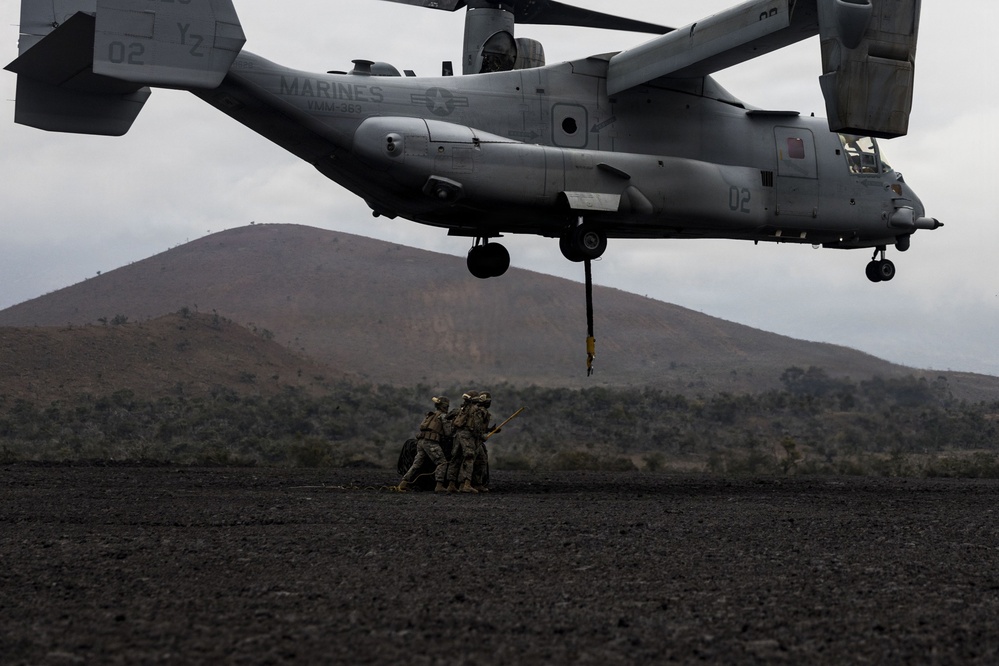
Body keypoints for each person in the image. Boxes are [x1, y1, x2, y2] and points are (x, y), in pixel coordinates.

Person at [398, 396, 450, 493]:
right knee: (442, 462)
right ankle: (439, 485)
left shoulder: (430, 415)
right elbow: (448, 432)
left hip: (421, 442)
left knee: (417, 464)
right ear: (445, 406)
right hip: (430, 443)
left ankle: (403, 483)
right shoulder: (442, 416)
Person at [446, 390, 480, 493]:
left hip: (458, 435)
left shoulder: (462, 409)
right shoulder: (475, 410)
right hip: (467, 436)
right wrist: (480, 436)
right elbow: (477, 426)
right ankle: (466, 484)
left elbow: (449, 417)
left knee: (455, 459)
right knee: (469, 458)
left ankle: (451, 485)